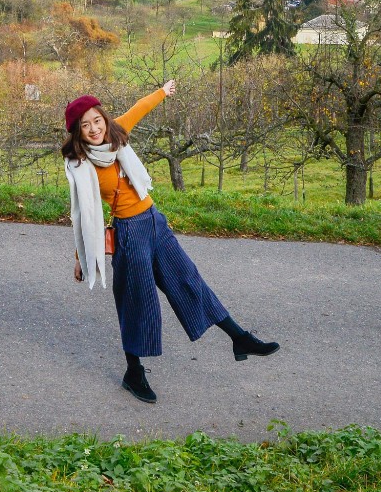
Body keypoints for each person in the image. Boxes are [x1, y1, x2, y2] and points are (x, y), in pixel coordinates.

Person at [62, 81, 278, 403]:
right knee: (137, 301)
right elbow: (82, 215)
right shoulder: (81, 164)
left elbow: (139, 107)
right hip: (129, 233)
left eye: (97, 120)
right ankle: (133, 372)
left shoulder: (117, 133)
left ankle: (239, 338)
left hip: (153, 220)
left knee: (188, 280)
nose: (94, 128)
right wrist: (80, 256)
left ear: (104, 119)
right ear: (77, 132)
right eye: (85, 125)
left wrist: (162, 92)